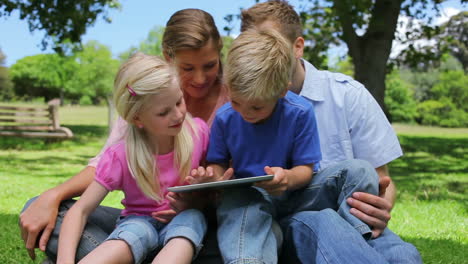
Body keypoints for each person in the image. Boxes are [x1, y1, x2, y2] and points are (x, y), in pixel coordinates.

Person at [19, 8, 228, 262]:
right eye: (187, 67)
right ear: (168, 59)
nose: (199, 78)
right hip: (138, 225)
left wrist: (201, 196)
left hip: (199, 223)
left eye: (209, 65)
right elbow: (102, 170)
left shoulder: (223, 110)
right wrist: (54, 194)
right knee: (41, 207)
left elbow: (222, 177)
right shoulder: (143, 98)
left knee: (194, 228)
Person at [240, 1, 422, 263]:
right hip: (287, 223)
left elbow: (382, 179)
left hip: (351, 219)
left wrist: (381, 207)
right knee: (325, 221)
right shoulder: (242, 106)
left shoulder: (347, 94)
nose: (263, 56)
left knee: (404, 254)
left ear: (298, 46)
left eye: (272, 45)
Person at [191, 29, 380, 264]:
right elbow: (217, 162)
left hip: (297, 194)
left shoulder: (299, 112)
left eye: (257, 107)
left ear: (282, 91)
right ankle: (249, 259)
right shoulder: (225, 117)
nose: (245, 113)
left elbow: (306, 169)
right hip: (251, 198)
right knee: (238, 201)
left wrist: (286, 179)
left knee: (359, 171)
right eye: (237, 102)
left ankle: (352, 234)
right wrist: (217, 178)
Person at [57, 53, 209, 264]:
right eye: (164, 112)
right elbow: (80, 211)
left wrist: (203, 190)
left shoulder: (198, 132)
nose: (177, 115)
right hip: (138, 223)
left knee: (190, 223)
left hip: (184, 220)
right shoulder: (121, 156)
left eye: (179, 101)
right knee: (130, 234)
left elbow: (215, 184)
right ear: (137, 118)